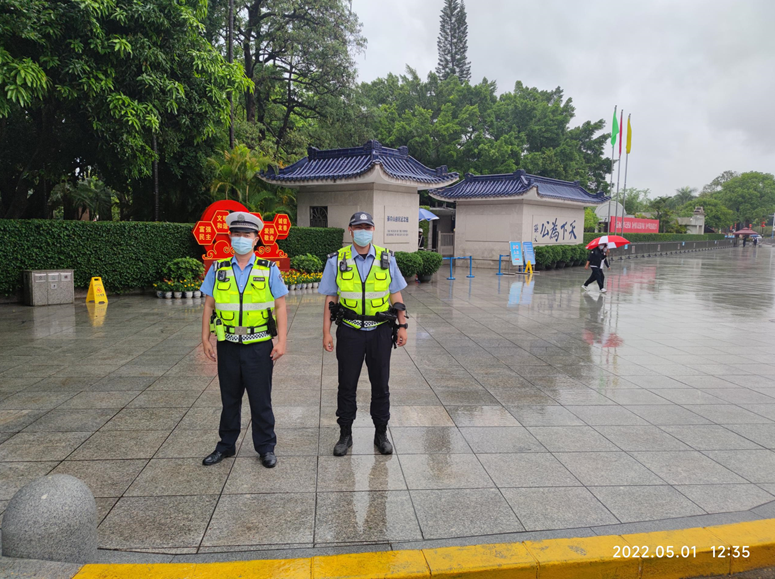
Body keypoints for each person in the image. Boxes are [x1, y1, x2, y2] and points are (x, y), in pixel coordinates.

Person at [200, 212, 288, 468]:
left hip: (259, 345)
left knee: (261, 399)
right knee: (230, 399)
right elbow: (208, 305)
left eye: (246, 235)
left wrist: (281, 341)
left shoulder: (268, 269)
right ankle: (225, 446)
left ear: (256, 239)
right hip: (227, 344)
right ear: (230, 237)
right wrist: (204, 338)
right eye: (236, 234)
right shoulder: (218, 269)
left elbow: (280, 307)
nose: (241, 239)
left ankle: (266, 447)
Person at [319, 212, 409, 457]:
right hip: (349, 331)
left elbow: (396, 295)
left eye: (367, 227)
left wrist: (402, 326)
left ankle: (381, 434)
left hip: (380, 331)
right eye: (358, 227)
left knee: (381, 384)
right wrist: (326, 332)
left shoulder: (386, 258)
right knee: (346, 385)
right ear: (350, 230)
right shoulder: (336, 259)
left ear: (373, 230)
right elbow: (330, 298)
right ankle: (345, 435)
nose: (363, 231)